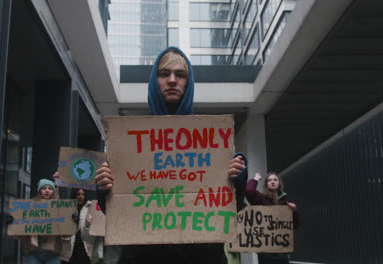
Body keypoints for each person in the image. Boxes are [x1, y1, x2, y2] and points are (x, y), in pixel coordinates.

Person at [94, 46, 248, 263]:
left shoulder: (213, 141)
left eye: (180, 74)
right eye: (164, 74)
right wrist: (103, 188)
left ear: (189, 81)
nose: (173, 80)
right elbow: (116, 212)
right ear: (154, 81)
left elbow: (232, 210)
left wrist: (237, 182)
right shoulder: (127, 141)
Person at [245, 172, 299, 264]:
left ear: (279, 183)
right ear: (266, 184)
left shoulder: (286, 202)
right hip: (265, 253)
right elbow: (249, 191)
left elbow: (295, 225)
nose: (272, 182)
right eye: (269, 180)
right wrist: (256, 179)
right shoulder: (260, 199)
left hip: (282, 253)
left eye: (275, 180)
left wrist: (294, 211)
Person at [15, 179, 65, 264]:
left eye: (50, 188)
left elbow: (67, 233)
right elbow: (21, 231)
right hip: (33, 252)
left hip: (52, 253)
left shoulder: (60, 208)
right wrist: (12, 223)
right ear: (39, 191)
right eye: (44, 188)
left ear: (53, 191)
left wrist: (72, 221)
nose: (47, 190)